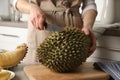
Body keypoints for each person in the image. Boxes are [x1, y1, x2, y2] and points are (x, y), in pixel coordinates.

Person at [13, 0, 97, 63]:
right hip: (41, 28)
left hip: (75, 32)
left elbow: (89, 5)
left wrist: (88, 26)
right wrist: (32, 7)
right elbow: (17, 2)